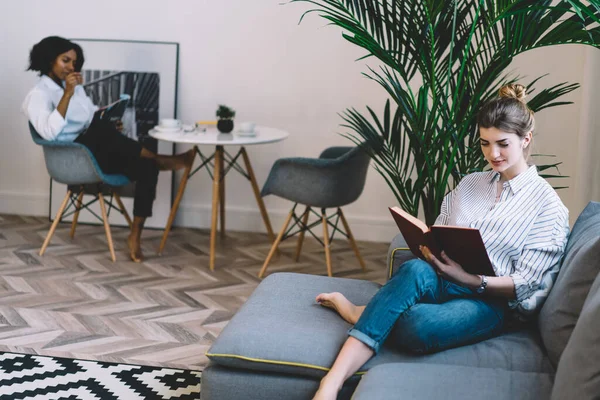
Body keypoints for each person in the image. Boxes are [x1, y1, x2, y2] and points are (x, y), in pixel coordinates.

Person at [312, 83, 570, 399]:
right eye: (485, 143)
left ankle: (364, 312)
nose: (493, 154)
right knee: (413, 271)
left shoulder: (548, 206)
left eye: (502, 144)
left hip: (492, 303)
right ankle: (331, 383)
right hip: (443, 279)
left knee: (416, 326)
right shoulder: (470, 184)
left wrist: (472, 279)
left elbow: (526, 284)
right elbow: (441, 232)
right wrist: (430, 247)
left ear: (525, 139)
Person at [22, 36, 194, 263]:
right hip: (74, 157)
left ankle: (135, 236)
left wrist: (109, 119)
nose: (71, 67)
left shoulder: (73, 87)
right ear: (49, 58)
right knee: (101, 133)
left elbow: (91, 114)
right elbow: (49, 133)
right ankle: (162, 160)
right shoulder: (38, 95)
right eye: (66, 60)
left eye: (74, 62)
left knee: (146, 167)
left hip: (97, 149)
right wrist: (68, 95)